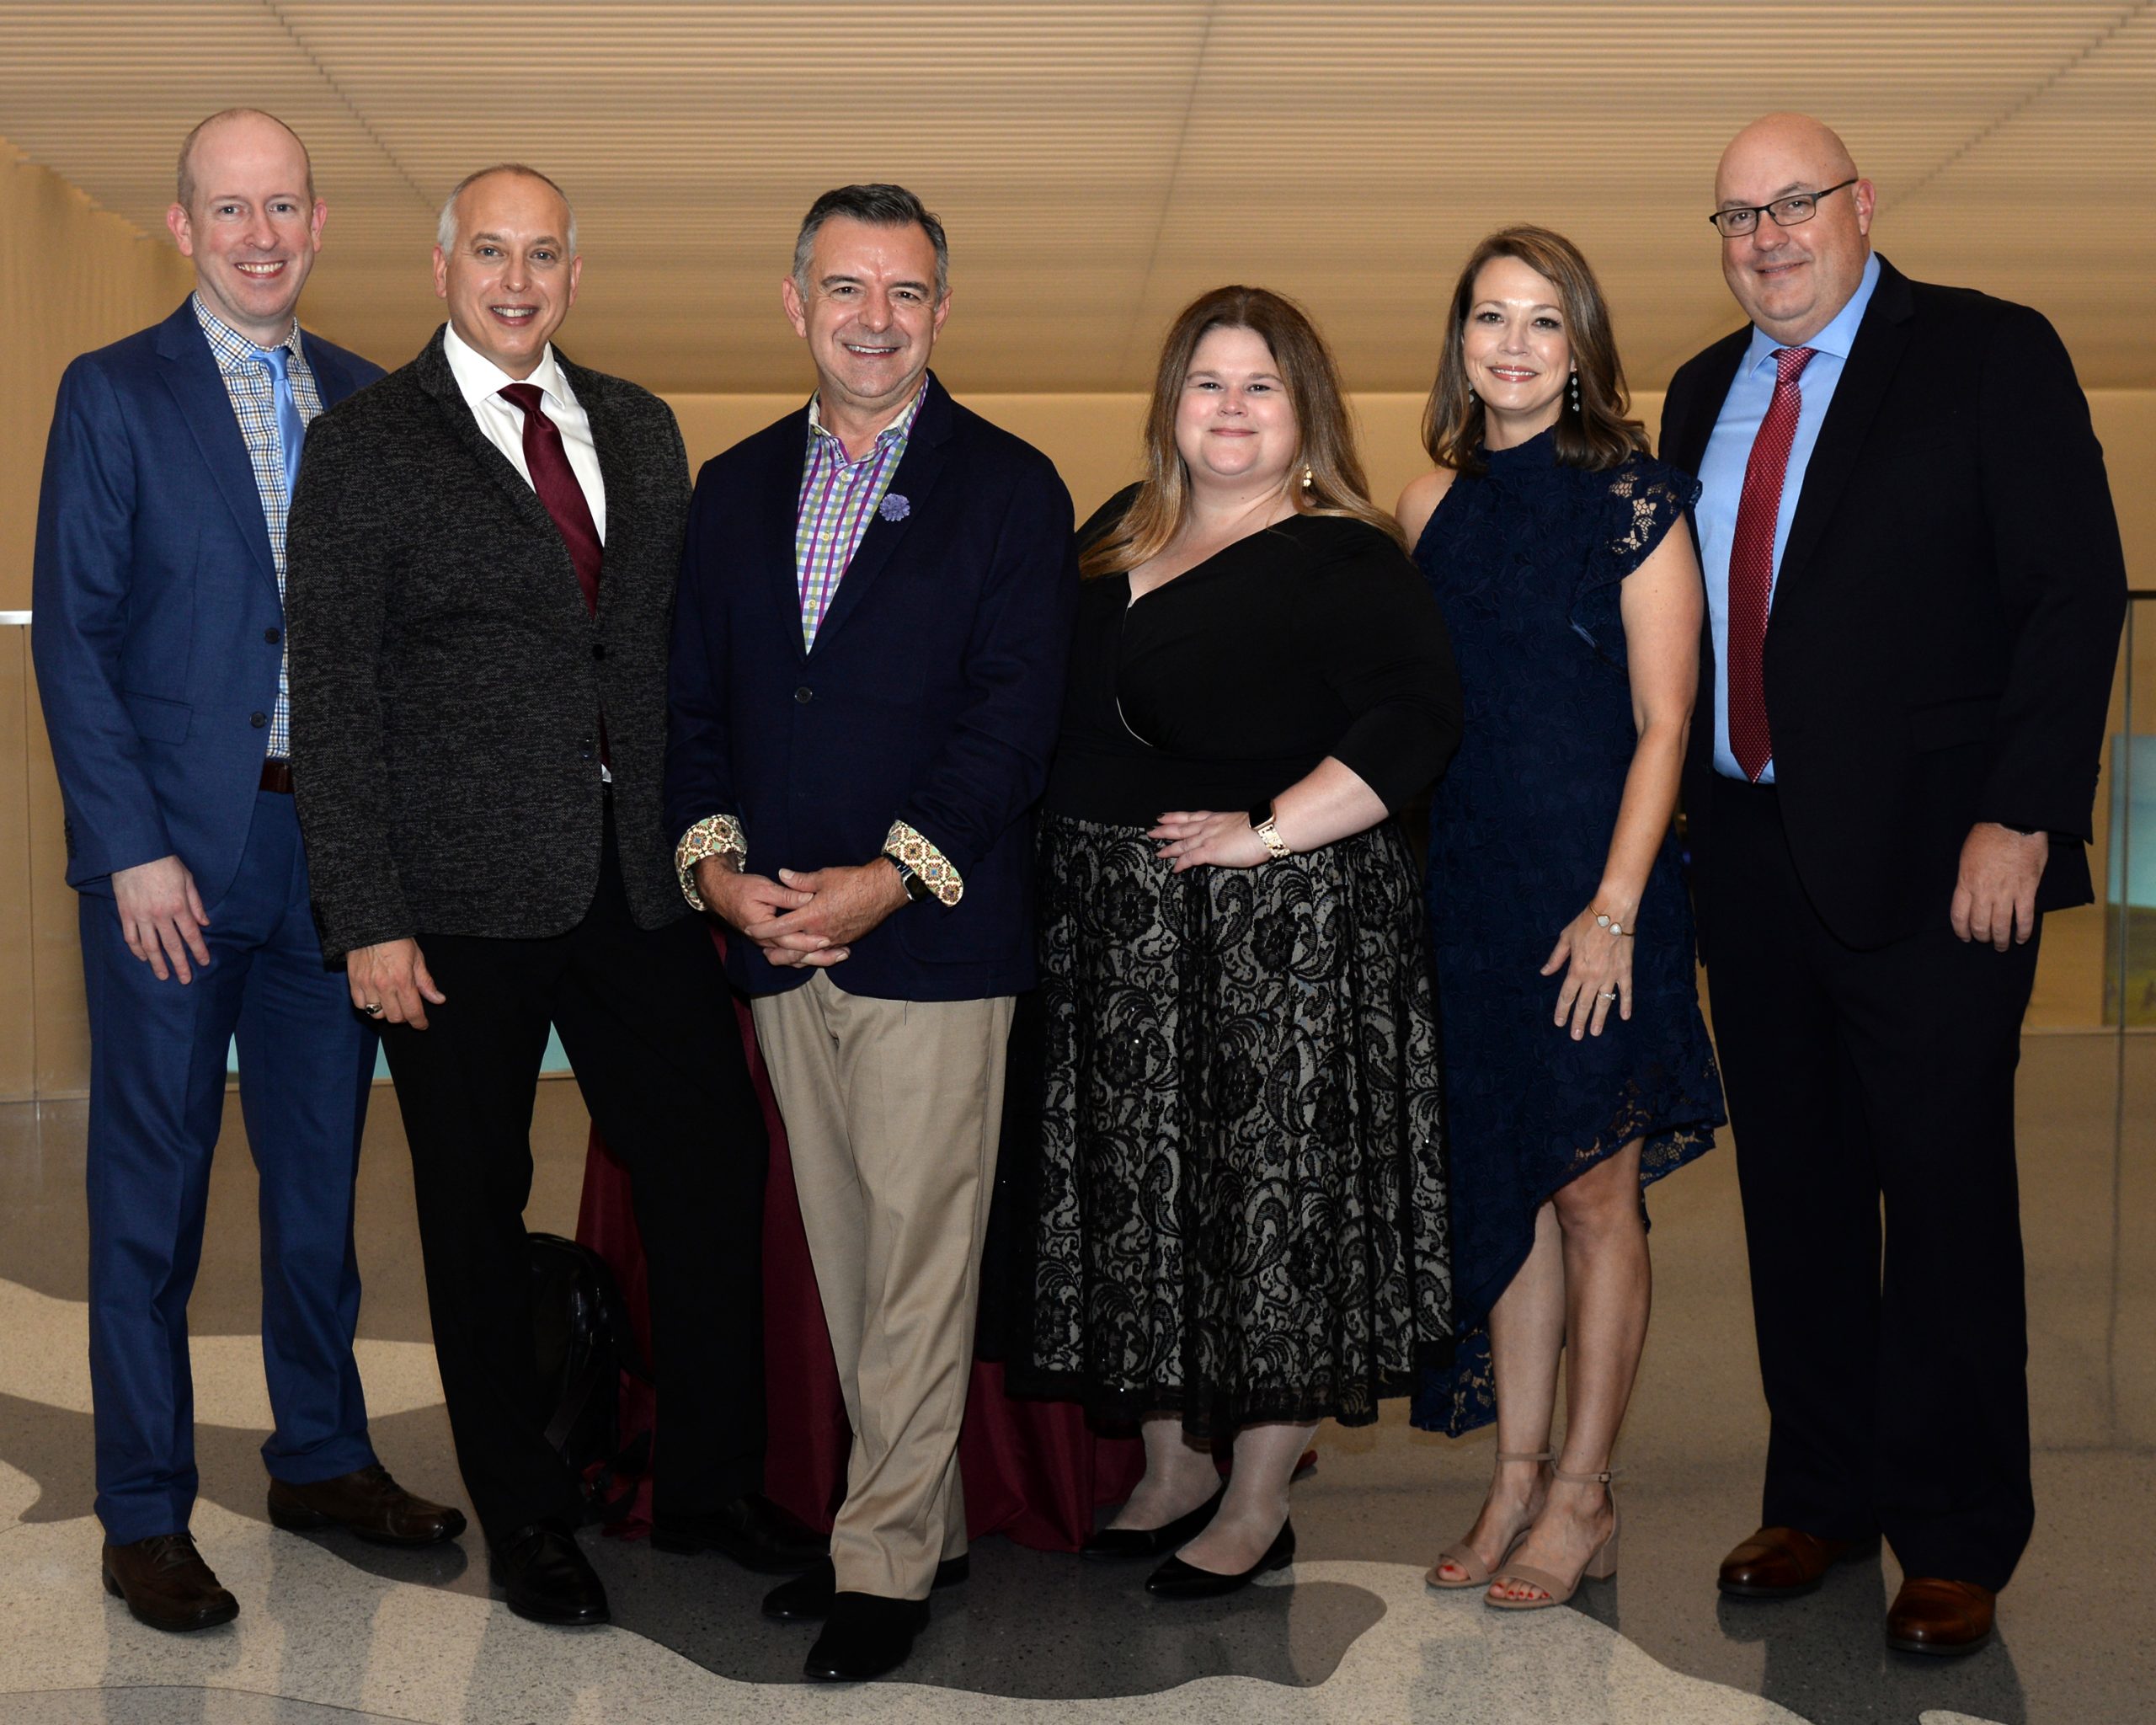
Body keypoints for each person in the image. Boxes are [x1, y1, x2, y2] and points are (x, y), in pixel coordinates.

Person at [284, 163, 813, 1630]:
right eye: (490, 252)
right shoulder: (364, 445)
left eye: (542, 255)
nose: (516, 280)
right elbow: (332, 695)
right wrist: (364, 914)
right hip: (451, 900)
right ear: (443, 267)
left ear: (576, 273)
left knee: (710, 1161)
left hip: (638, 882)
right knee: (472, 1205)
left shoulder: (639, 427)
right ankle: (525, 1515)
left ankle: (706, 1484)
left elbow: (666, 657)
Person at [1660, 114, 2126, 1656]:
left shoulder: (1990, 353)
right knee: (1793, 1198)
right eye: (1737, 216)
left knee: (1943, 1201)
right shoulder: (1700, 390)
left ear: (1861, 204)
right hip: (1748, 856)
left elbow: (2071, 594)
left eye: (1793, 203)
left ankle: (1956, 1531)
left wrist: (2023, 816)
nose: (1765, 238)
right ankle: (1821, 1496)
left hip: (1943, 865)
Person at [29, 109, 462, 1635]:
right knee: (150, 1204)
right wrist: (130, 849)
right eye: (231, 209)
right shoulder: (113, 392)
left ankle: (322, 1460)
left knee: (319, 1189)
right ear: (183, 225)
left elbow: (397, 649)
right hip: (170, 868)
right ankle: (143, 1511)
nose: (260, 236)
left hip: (325, 865)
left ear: (321, 221)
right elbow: (75, 639)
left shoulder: (371, 399)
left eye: (283, 207)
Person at [664, 183, 1076, 1683]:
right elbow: (692, 709)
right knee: (846, 1254)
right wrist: (720, 876)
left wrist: (886, 880)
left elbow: (1011, 726)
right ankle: (922, 1523)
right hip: (774, 936)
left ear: (942, 312)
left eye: (905, 292)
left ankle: (884, 1558)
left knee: (917, 1264)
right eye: (847, 288)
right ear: (797, 304)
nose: (875, 319)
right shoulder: (733, 488)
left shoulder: (1010, 488)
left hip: (930, 941)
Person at [1022, 286, 1460, 1600]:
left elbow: (1416, 723)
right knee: (1147, 1209)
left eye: (1260, 385)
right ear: (1171, 405)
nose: (1230, 407)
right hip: (1119, 946)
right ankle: (1171, 1470)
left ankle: (1259, 1499)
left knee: (1272, 1216)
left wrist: (1265, 834)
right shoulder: (1117, 529)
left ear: (1306, 411)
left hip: (1280, 942)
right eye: (1207, 382)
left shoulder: (1345, 557)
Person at [1396, 227, 1726, 1610]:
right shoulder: (1427, 504)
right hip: (1470, 897)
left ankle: (1585, 1491)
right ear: (1460, 342)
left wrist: (1615, 911)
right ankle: (1516, 1475)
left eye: (1544, 320)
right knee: (1511, 1182)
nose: (1515, 345)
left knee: (1594, 1191)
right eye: (1492, 318)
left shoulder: (1637, 500)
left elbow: (1666, 725)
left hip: (1600, 895)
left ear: (1581, 348)